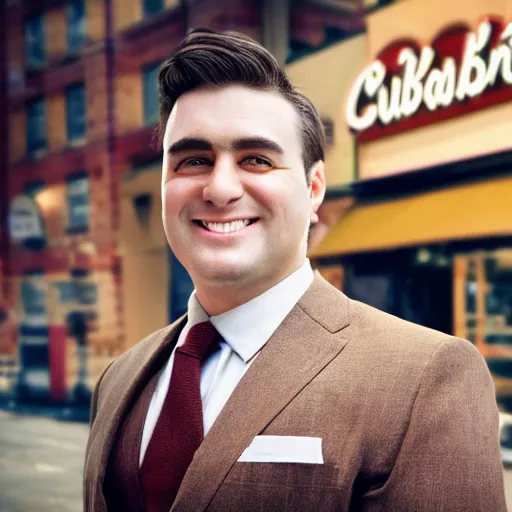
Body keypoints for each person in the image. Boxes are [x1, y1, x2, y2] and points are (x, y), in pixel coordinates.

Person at [83, 29, 506, 512]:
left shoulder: (426, 380)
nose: (219, 189)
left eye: (256, 160)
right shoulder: (118, 379)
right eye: (193, 160)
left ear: (314, 189)